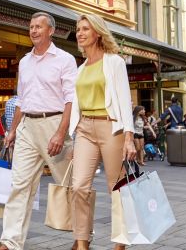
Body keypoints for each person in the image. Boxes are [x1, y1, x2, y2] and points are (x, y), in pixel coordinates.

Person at [0, 12, 76, 250]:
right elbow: (21, 99)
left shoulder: (65, 59)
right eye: (31, 27)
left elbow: (71, 99)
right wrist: (12, 130)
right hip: (27, 126)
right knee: (19, 184)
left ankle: (82, 237)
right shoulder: (24, 61)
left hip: (54, 124)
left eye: (39, 27)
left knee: (69, 184)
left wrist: (61, 132)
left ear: (51, 31)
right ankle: (10, 241)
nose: (34, 30)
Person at [68, 13, 136, 250]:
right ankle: (82, 242)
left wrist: (129, 136)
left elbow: (125, 100)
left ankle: (120, 243)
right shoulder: (81, 68)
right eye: (78, 29)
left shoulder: (114, 62)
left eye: (85, 28)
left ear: (97, 33)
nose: (80, 33)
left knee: (116, 188)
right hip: (85, 128)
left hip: (111, 127)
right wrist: (73, 133)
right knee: (79, 186)